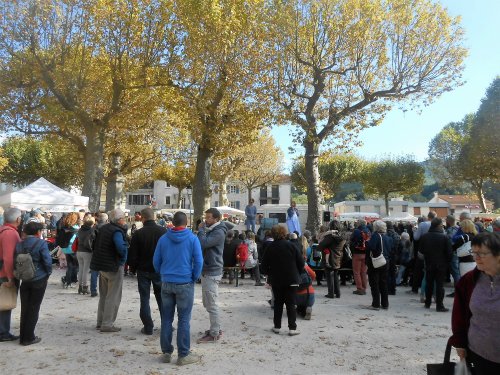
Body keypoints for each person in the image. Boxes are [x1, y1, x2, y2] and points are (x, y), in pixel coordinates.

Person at [153, 211, 203, 366]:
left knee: (166, 319)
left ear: (173, 223)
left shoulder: (163, 239)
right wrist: (194, 277)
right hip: (185, 282)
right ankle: (183, 354)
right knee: (183, 320)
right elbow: (199, 261)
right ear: (186, 222)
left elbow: (156, 261)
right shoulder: (192, 239)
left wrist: (162, 273)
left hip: (167, 282)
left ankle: (166, 352)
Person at [449, 232, 500, 375]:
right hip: (478, 353)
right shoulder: (468, 281)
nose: (476, 258)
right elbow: (458, 314)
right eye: (474, 252)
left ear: (498, 255)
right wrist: (459, 342)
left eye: (482, 253)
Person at [128, 207, 167, 335]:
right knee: (162, 298)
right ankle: (166, 324)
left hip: (143, 269)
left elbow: (133, 254)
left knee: (144, 298)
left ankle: (148, 326)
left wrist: (132, 269)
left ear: (143, 218)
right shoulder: (163, 231)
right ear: (154, 217)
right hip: (159, 270)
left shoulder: (139, 233)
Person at [261, 225, 304, 336]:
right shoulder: (292, 246)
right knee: (291, 304)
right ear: (285, 233)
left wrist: (269, 273)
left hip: (276, 279)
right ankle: (292, 328)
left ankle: (277, 327)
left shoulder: (270, 247)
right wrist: (297, 273)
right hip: (292, 278)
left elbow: (264, 266)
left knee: (278, 303)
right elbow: (301, 263)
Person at [90, 209, 128, 332]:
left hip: (102, 265)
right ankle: (107, 323)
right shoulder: (116, 231)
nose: (125, 220)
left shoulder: (104, 228)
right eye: (124, 218)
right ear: (120, 220)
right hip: (113, 266)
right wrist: (123, 255)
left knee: (104, 295)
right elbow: (120, 248)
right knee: (113, 296)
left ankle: (100, 321)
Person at [16, 222, 52, 345]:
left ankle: (23, 336)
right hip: (39, 278)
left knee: (25, 308)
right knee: (34, 308)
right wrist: (48, 273)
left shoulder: (19, 245)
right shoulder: (41, 243)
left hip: (25, 279)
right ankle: (29, 337)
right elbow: (47, 261)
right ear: (38, 232)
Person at [197, 208, 227, 343]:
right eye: (205, 217)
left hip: (212, 270)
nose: (205, 220)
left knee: (212, 303)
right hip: (208, 269)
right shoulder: (214, 230)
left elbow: (203, 243)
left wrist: (201, 230)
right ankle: (215, 328)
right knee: (208, 302)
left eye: (208, 218)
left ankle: (215, 332)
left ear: (216, 219)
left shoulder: (219, 232)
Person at [419, 218, 452, 312]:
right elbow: (449, 253)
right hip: (441, 264)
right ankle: (439, 305)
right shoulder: (444, 237)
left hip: (429, 263)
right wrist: (446, 262)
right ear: (439, 226)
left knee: (429, 284)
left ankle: (427, 303)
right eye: (442, 225)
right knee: (439, 285)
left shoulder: (425, 236)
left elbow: (421, 252)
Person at [0, 208, 22, 342]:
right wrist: (10, 278)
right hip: (4, 273)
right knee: (5, 303)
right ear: (18, 220)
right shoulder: (10, 234)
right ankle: (3, 332)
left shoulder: (2, 230)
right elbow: (8, 258)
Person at [365, 220, 392, 310]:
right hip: (386, 261)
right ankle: (385, 304)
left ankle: (375, 304)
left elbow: (371, 247)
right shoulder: (388, 237)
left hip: (376, 261)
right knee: (383, 283)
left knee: (374, 283)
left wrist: (367, 242)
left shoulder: (375, 236)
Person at [318, 220, 346, 299]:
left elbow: (320, 246)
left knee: (329, 276)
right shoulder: (343, 236)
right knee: (336, 276)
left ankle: (331, 293)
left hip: (329, 258)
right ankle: (337, 293)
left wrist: (325, 236)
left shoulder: (330, 237)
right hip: (338, 257)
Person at [58, 212, 79, 288]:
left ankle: (68, 281)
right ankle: (72, 280)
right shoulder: (76, 228)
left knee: (70, 265)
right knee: (75, 265)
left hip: (65, 248)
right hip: (73, 248)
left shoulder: (64, 228)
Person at [76, 216, 96, 295]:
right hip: (87, 251)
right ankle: (85, 287)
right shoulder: (92, 230)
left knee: (81, 269)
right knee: (86, 270)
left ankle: (80, 287)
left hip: (79, 251)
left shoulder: (80, 230)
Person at [90, 213, 108, 297]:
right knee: (105, 272)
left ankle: (93, 290)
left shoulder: (93, 228)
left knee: (94, 271)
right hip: (105, 252)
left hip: (95, 251)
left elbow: (90, 240)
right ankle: (104, 291)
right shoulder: (108, 228)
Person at [350, 220, 370, 295]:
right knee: (364, 272)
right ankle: (364, 287)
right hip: (365, 254)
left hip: (357, 253)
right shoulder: (368, 231)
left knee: (356, 272)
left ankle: (359, 288)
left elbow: (351, 242)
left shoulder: (356, 231)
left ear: (359, 224)